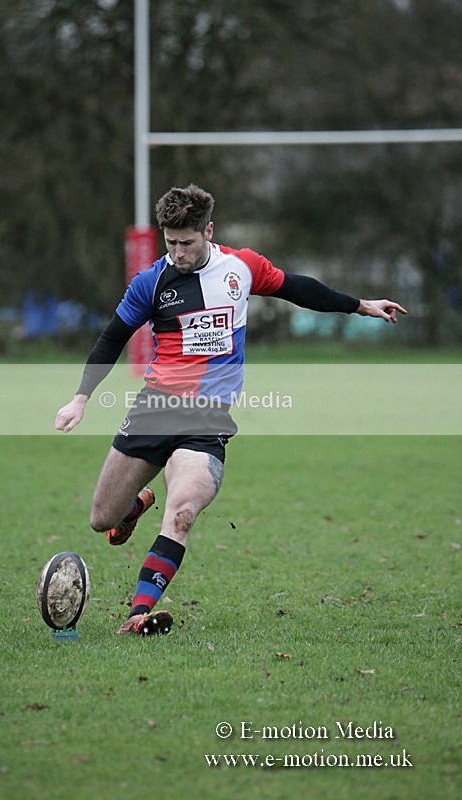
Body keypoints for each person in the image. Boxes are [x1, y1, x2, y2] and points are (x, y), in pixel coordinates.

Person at [55, 184, 406, 636]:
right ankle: (133, 506)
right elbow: (111, 338)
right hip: (154, 411)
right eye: (170, 242)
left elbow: (297, 288)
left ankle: (136, 614)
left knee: (182, 512)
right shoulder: (151, 283)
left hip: (207, 420)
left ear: (208, 231)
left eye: (186, 241)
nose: (178, 252)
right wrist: (82, 396)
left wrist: (360, 305)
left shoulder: (240, 267)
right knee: (101, 519)